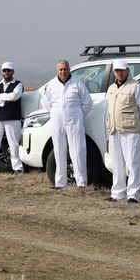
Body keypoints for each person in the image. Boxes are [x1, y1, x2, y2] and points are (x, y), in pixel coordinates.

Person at [105, 59, 140, 203]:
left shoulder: (136, 86)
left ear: (127, 71)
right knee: (117, 163)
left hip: (130, 131)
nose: (120, 73)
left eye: (122, 70)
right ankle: (118, 193)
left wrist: (136, 124)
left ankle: (133, 195)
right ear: (114, 72)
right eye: (117, 70)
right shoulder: (111, 88)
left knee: (133, 163)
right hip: (114, 130)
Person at [43, 59, 93, 189]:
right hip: (57, 121)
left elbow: (87, 102)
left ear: (69, 69)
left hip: (74, 120)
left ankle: (81, 183)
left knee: (77, 150)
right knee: (59, 149)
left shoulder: (77, 83)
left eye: (65, 69)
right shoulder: (52, 85)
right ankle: (60, 183)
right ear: (57, 70)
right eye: (60, 69)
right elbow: (47, 103)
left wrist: (79, 114)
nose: (63, 71)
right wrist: (56, 113)